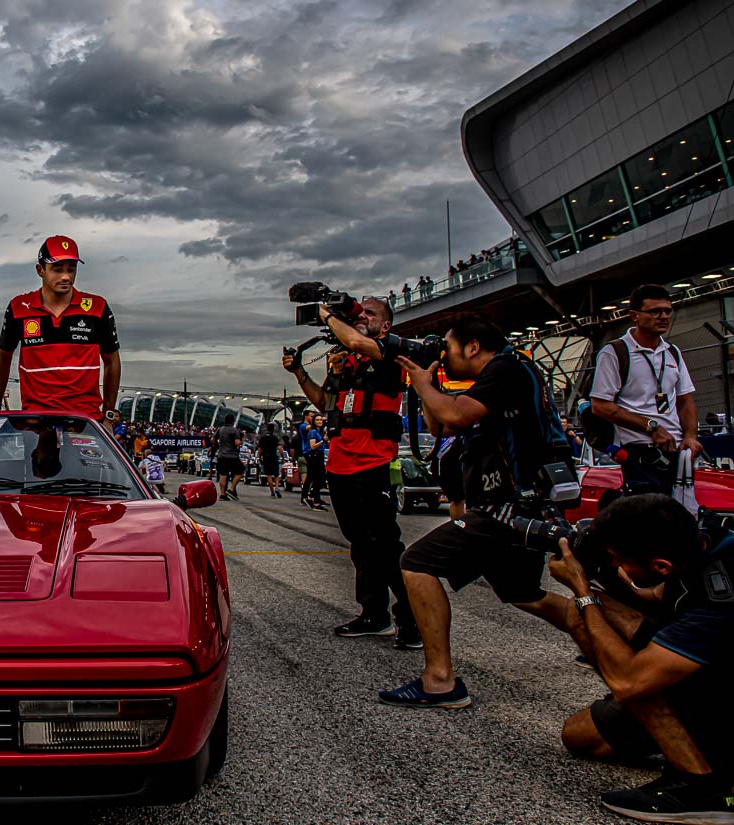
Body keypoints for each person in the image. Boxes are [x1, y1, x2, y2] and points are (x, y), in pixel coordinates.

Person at [381, 317, 573, 707]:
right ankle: (615, 645)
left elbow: (455, 416)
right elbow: (441, 428)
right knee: (524, 593)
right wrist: (428, 387)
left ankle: (439, 680)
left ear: (472, 347)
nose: (444, 356)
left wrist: (421, 385)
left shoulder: (504, 368)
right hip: (513, 503)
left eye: (448, 348)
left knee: (417, 563)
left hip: (504, 506)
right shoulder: (508, 372)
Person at [553, 495, 734, 823]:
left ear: (661, 565)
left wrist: (582, 589)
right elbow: (649, 597)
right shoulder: (701, 543)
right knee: (578, 736)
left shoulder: (720, 594)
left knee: (588, 620)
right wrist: (596, 574)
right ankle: (680, 737)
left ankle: (704, 787)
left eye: (619, 559)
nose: (618, 566)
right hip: (707, 677)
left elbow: (629, 683)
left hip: (717, 695)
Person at [282, 295, 419, 646]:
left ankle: (413, 620)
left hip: (374, 464)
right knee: (360, 545)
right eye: (361, 311)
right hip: (340, 466)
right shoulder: (346, 362)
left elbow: (359, 340)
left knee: (385, 546)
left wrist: (327, 313)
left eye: (370, 314)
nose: (363, 317)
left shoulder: (388, 353)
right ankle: (374, 614)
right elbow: (322, 402)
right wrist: (299, 370)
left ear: (385, 326)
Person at [0, 235, 121, 421]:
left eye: (71, 269)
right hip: (35, 419)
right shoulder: (19, 308)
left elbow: (112, 360)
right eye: (57, 269)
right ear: (40, 270)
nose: (65, 276)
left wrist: (108, 414)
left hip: (85, 421)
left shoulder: (97, 307)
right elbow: (3, 354)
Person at [590, 284, 699, 497]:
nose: (663, 316)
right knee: (649, 519)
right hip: (637, 451)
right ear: (634, 316)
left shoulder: (672, 352)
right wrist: (651, 427)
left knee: (680, 516)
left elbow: (685, 400)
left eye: (668, 310)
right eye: (655, 311)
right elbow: (600, 406)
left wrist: (691, 436)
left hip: (675, 450)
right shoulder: (615, 352)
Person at [301, 415, 329, 510]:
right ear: (314, 421)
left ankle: (315, 501)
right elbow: (312, 446)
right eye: (317, 420)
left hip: (320, 455)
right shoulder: (312, 432)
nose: (320, 421)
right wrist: (323, 441)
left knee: (320, 478)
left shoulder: (319, 432)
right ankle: (310, 496)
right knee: (318, 478)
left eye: (321, 420)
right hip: (315, 455)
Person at [257, 424, 282, 498]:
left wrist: (259, 457)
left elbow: (259, 449)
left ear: (267, 429)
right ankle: (277, 487)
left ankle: (272, 492)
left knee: (269, 475)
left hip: (266, 458)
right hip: (274, 457)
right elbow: (280, 448)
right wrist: (283, 457)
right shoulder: (275, 438)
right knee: (276, 474)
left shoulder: (262, 438)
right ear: (273, 429)